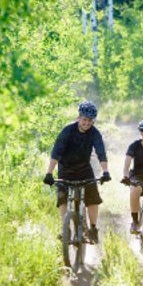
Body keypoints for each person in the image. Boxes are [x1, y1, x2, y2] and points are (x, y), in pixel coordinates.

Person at [43, 101, 111, 244]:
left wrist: (105, 172)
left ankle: (92, 229)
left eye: (90, 121)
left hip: (84, 169)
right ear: (78, 118)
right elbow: (56, 152)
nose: (87, 123)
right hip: (65, 169)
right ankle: (65, 229)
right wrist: (49, 173)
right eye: (85, 119)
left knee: (92, 195)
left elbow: (101, 153)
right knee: (62, 195)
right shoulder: (67, 131)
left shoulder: (95, 133)